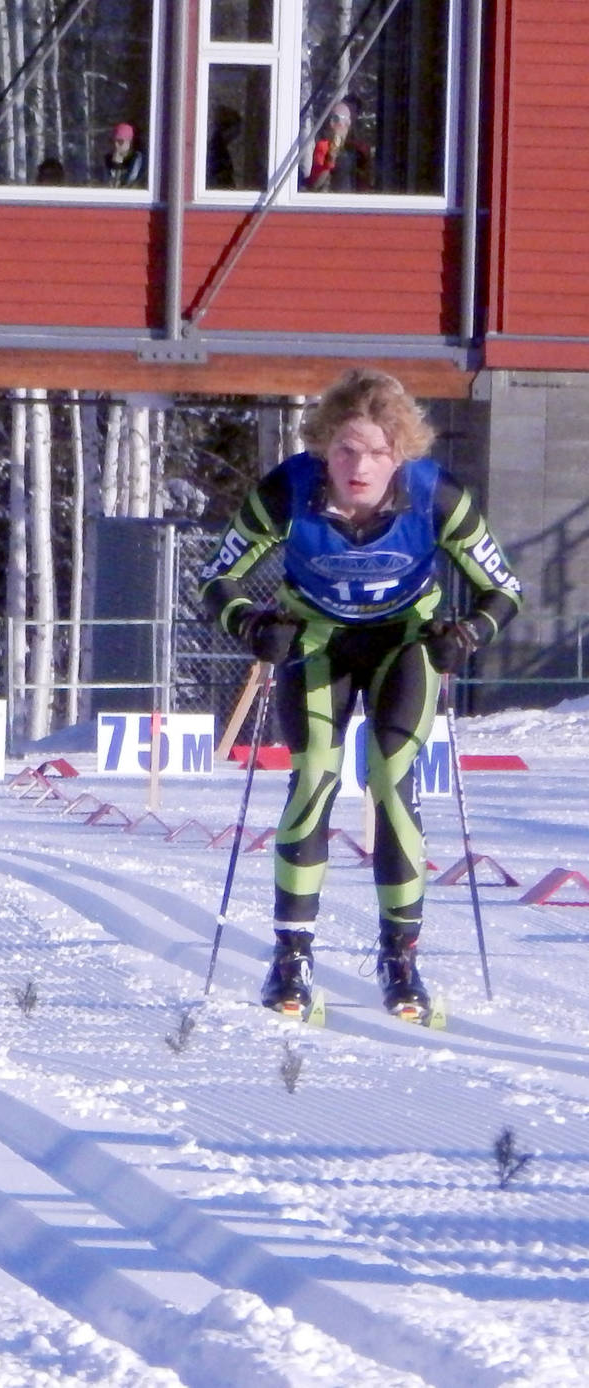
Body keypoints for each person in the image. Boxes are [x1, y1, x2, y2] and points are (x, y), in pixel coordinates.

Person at [196, 368, 521, 1022]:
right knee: (312, 775)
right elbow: (217, 577)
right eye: (345, 449)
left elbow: (504, 589)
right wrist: (253, 624)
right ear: (323, 447)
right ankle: (291, 957)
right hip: (318, 641)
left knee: (392, 781)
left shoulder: (437, 496)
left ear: (400, 454)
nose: (359, 466)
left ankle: (401, 957)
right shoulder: (288, 490)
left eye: (376, 451)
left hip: (403, 641)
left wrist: (467, 635)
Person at [305, 100, 371, 192]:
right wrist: (330, 160)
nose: (332, 124)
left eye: (347, 121)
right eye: (334, 119)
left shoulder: (356, 148)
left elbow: (363, 179)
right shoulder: (324, 146)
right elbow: (315, 184)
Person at [104, 122, 144, 188]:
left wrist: (119, 166)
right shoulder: (108, 159)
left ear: (129, 143)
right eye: (113, 141)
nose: (116, 145)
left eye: (120, 142)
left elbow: (131, 182)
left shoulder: (137, 159)